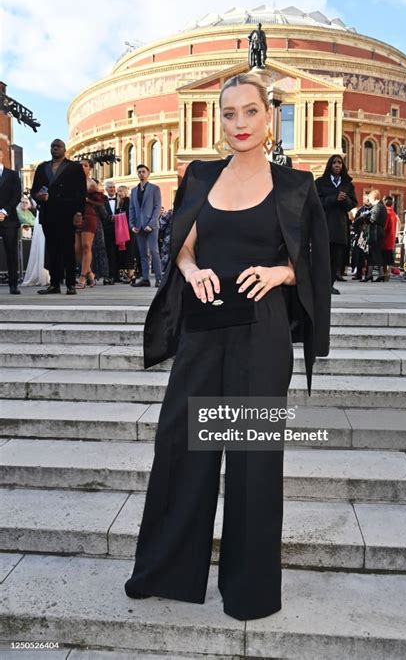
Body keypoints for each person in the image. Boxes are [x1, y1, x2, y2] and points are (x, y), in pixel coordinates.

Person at [124, 72, 331, 622]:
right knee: (180, 447)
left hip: (261, 335)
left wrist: (281, 273)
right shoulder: (199, 175)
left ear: (270, 118)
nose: (239, 123)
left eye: (250, 112)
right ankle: (165, 572)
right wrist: (190, 271)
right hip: (202, 328)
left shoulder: (296, 186)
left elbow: (312, 263)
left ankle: (249, 590)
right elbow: (182, 243)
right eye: (229, 113)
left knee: (252, 462)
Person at [31, 139, 86, 295]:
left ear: (64, 149)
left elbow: (81, 192)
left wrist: (79, 212)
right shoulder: (42, 168)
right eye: (52, 147)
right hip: (48, 213)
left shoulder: (74, 168)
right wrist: (38, 197)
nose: (55, 149)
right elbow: (34, 189)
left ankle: (70, 284)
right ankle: (54, 284)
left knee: (68, 249)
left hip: (67, 213)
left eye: (58, 147)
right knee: (52, 249)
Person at [315, 154, 357, 294]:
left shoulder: (348, 184)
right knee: (322, 259)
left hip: (340, 227)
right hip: (324, 225)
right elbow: (316, 202)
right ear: (330, 165)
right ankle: (320, 285)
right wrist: (334, 198)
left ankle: (330, 285)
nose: (337, 165)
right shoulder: (320, 182)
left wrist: (344, 200)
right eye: (334, 163)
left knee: (336, 259)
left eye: (340, 162)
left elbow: (353, 204)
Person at [75, 159, 106, 288]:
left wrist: (88, 200)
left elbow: (101, 202)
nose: (83, 167)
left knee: (86, 246)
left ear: (90, 169)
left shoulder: (91, 183)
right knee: (77, 249)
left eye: (86, 165)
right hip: (76, 216)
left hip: (89, 216)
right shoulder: (72, 183)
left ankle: (82, 278)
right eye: (81, 165)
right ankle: (90, 274)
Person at [129, 164, 162, 287]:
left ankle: (159, 278)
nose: (141, 174)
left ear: (148, 174)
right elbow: (132, 208)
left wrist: (152, 224)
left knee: (154, 251)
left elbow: (157, 207)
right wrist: (131, 225)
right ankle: (145, 279)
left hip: (151, 226)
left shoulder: (154, 188)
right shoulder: (133, 190)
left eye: (143, 172)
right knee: (143, 253)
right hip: (138, 226)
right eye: (139, 172)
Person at [0, 146, 22, 294]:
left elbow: (16, 195)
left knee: (11, 252)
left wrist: (4, 211)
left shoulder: (13, 175)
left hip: (9, 219)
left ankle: (13, 285)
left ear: (2, 155)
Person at [363, 189, 387, 282]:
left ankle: (380, 274)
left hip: (376, 232)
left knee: (376, 253)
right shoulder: (380, 206)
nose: (369, 202)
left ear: (374, 198)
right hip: (377, 231)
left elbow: (373, 219)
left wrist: (365, 218)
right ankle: (369, 274)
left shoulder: (378, 207)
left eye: (370, 199)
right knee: (372, 253)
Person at [115, 185, 135, 282]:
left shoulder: (128, 201)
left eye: (121, 191)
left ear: (126, 192)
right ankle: (125, 273)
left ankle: (130, 274)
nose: (119, 193)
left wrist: (117, 216)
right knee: (123, 252)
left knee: (129, 252)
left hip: (128, 230)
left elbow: (129, 214)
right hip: (121, 230)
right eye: (118, 191)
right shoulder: (119, 202)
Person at [103, 180, 119, 283]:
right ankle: (110, 275)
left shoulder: (120, 198)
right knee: (110, 253)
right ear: (106, 189)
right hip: (107, 229)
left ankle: (117, 275)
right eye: (110, 187)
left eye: (113, 187)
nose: (112, 189)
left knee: (119, 252)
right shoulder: (103, 200)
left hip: (119, 229)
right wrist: (109, 218)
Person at [381, 196, 399, 281]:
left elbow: (385, 226)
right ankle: (387, 274)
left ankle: (385, 275)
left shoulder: (386, 212)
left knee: (385, 258)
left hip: (386, 238)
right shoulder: (394, 213)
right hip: (391, 237)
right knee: (389, 257)